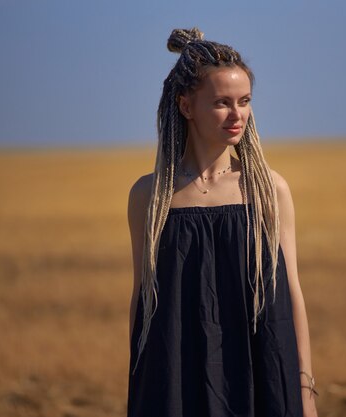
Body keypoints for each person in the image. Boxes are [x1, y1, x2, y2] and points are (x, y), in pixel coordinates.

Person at [126, 28, 318, 417]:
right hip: (177, 376)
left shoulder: (268, 189)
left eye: (244, 101)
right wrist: (141, 387)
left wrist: (305, 388)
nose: (237, 115)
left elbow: (292, 293)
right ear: (185, 106)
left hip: (263, 369)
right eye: (221, 103)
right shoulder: (151, 195)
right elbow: (142, 298)